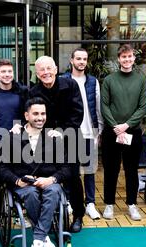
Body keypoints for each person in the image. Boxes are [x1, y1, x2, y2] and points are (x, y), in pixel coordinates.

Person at [0, 97, 70, 247]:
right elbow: (2, 168)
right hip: (24, 185)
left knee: (53, 191)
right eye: (35, 113)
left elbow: (67, 169)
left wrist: (51, 179)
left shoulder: (53, 137)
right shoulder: (13, 137)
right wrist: (17, 181)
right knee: (30, 193)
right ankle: (44, 241)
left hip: (49, 183)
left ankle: (38, 241)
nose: (40, 117)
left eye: (43, 113)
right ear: (26, 115)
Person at [29, 56, 84, 233]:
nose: (46, 73)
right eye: (41, 70)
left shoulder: (71, 85)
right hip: (46, 141)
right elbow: (33, 116)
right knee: (49, 176)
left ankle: (78, 215)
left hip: (71, 138)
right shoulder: (34, 91)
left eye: (48, 68)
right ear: (37, 74)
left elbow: (78, 114)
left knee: (73, 177)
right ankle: (50, 214)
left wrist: (60, 131)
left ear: (56, 68)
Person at [101, 44, 146, 221]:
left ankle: (132, 204)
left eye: (129, 57)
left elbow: (142, 107)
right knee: (111, 170)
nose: (127, 60)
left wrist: (126, 125)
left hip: (132, 132)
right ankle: (108, 205)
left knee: (131, 170)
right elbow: (104, 106)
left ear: (133, 58)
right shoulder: (109, 80)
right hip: (111, 132)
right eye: (123, 57)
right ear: (119, 59)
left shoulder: (141, 80)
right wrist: (115, 126)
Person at [0, 59, 28, 229]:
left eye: (9, 71)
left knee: (17, 179)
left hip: (19, 143)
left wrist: (22, 125)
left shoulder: (23, 91)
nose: (7, 75)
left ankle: (18, 214)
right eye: (3, 72)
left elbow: (29, 114)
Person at [61, 48, 103, 220]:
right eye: (78, 58)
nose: (81, 62)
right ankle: (70, 201)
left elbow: (98, 107)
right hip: (70, 133)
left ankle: (90, 204)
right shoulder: (63, 80)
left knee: (90, 170)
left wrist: (98, 131)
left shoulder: (93, 81)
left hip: (89, 132)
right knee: (71, 171)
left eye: (84, 59)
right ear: (71, 60)